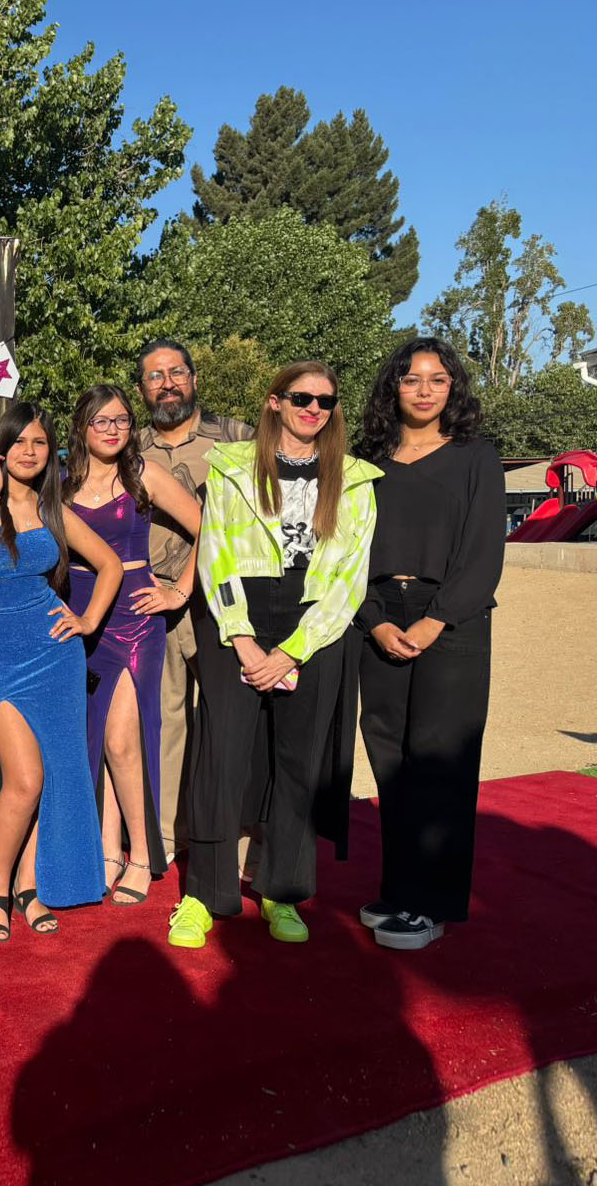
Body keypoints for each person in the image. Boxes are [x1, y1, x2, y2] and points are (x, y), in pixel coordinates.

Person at [169, 362, 380, 950]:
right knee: (222, 755)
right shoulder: (231, 467)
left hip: (313, 625)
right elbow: (215, 555)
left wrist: (290, 652)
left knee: (298, 763)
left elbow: (349, 579)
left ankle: (282, 891)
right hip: (239, 615)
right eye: (302, 397)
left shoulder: (358, 480)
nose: (314, 408)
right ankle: (202, 895)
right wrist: (241, 637)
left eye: (326, 401)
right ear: (274, 402)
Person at [354, 337, 504, 950]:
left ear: (452, 388)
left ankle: (430, 905)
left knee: (439, 759)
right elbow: (346, 547)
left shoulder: (476, 457)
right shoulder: (367, 459)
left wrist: (434, 621)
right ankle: (401, 889)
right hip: (380, 614)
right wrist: (374, 618)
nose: (423, 390)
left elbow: (482, 555)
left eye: (436, 380)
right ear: (394, 386)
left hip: (452, 619)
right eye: (411, 379)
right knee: (389, 755)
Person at [0, 402, 123, 940]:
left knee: (52, 777)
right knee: (22, 780)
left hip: (54, 657)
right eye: (21, 442)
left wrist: (86, 619)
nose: (30, 452)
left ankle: (30, 888)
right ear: (1, 448)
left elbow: (111, 564)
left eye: (41, 443)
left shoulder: (55, 510)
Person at [65, 385, 202, 906]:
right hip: (80, 617)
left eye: (121, 419)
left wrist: (180, 590)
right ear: (82, 427)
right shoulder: (59, 484)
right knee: (95, 738)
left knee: (124, 740)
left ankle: (142, 853)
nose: (113, 429)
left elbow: (208, 526)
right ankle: (106, 850)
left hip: (134, 619)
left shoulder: (142, 475)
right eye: (101, 421)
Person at [132, 340, 252, 866]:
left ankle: (238, 835)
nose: (167, 383)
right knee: (163, 724)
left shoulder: (239, 439)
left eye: (176, 372)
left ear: (195, 379)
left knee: (232, 720)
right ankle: (164, 840)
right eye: (154, 376)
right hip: (152, 605)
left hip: (226, 602)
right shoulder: (126, 449)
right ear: (142, 389)